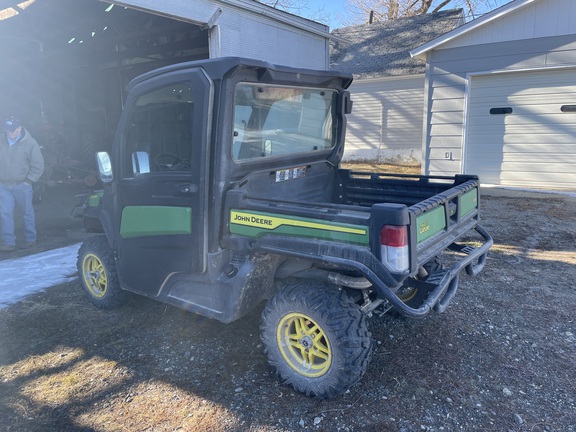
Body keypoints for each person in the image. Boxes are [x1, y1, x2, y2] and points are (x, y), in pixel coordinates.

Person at [0, 116, 45, 251]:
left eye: (12, 130)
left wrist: (29, 181)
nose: (9, 133)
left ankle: (30, 239)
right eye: (7, 130)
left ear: (19, 129)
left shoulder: (31, 143)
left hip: (22, 185)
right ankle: (8, 242)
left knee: (27, 213)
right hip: (3, 185)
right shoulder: (1, 139)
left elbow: (38, 165)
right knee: (5, 213)